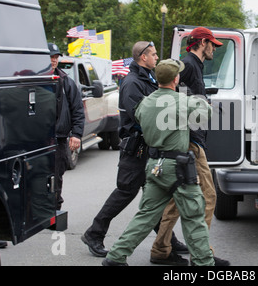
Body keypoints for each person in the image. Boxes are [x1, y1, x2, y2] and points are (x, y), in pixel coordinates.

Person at [81, 42, 187, 264]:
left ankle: (167, 240)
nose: (157, 57)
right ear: (142, 57)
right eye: (154, 54)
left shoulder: (146, 78)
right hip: (136, 149)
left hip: (147, 148)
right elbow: (141, 115)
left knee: (155, 196)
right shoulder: (132, 83)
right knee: (125, 193)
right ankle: (94, 233)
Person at [103, 59, 214, 266]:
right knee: (194, 217)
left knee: (145, 215)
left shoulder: (145, 103)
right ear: (176, 79)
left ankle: (116, 256)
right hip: (179, 167)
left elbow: (137, 116)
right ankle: (204, 263)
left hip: (155, 165)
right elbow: (205, 114)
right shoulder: (183, 101)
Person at [150, 27, 230, 266]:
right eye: (212, 44)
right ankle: (201, 254)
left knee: (176, 199)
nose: (215, 48)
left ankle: (161, 249)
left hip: (188, 140)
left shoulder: (193, 65)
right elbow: (170, 96)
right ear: (202, 42)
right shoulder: (188, 65)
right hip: (190, 143)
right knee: (208, 196)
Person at [49, 42, 84, 210]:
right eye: (51, 57)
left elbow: (77, 110)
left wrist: (76, 134)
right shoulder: (33, 79)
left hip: (59, 138)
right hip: (37, 139)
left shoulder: (66, 82)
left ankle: (55, 207)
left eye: (56, 57)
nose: (54, 60)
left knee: (57, 173)